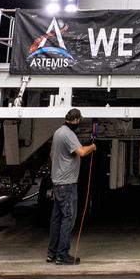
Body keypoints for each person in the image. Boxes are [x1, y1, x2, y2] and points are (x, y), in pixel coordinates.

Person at [47, 108, 96, 266]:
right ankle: (62, 255)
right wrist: (92, 146)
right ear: (75, 120)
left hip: (57, 182)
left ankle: (52, 253)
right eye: (79, 121)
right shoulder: (68, 134)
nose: (79, 124)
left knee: (56, 219)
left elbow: (51, 155)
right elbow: (81, 152)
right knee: (68, 219)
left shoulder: (58, 132)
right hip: (67, 184)